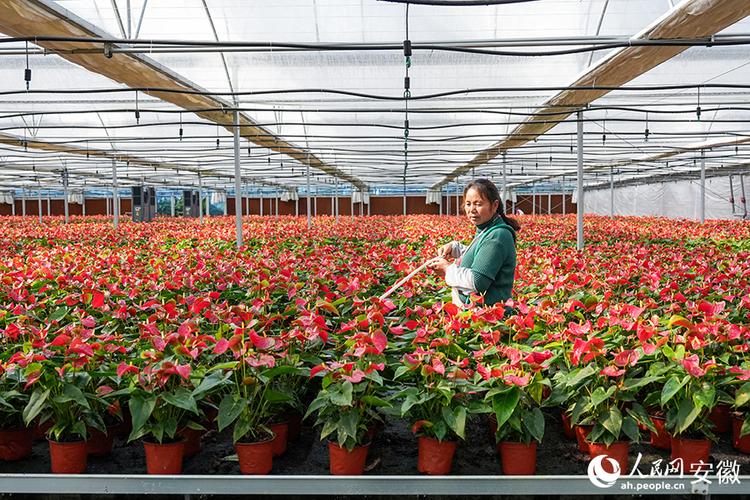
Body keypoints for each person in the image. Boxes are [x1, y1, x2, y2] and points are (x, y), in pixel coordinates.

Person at [428, 178, 520, 312]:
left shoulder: (498, 235)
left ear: (494, 205)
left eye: (478, 204)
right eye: (468, 204)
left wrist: (447, 269)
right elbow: (483, 254)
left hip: (489, 317)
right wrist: (455, 249)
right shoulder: (487, 229)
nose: (472, 210)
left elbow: (478, 282)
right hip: (477, 312)